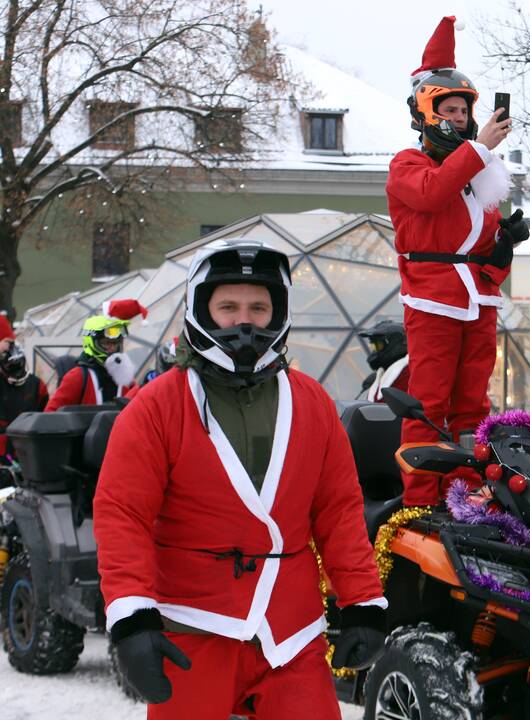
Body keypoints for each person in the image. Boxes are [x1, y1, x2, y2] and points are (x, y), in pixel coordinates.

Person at [92, 239, 385, 719]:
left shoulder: (312, 403)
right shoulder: (157, 406)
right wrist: (132, 617)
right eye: (227, 306)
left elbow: (338, 510)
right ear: (201, 310)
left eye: (259, 307)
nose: (244, 320)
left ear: (279, 313)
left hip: (291, 632)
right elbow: (123, 514)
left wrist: (362, 601)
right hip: (191, 628)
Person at [387, 15, 529, 506]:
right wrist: (479, 149)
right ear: (425, 113)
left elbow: (483, 256)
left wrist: (503, 250)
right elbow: (430, 194)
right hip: (433, 302)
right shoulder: (409, 165)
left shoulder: (477, 177)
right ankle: (421, 501)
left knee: (473, 406)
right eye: (448, 110)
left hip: (479, 303)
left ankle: (464, 496)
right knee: (428, 407)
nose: (460, 120)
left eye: (464, 112)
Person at [44, 299, 146, 411]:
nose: (112, 348)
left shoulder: (125, 376)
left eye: (116, 343)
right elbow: (50, 414)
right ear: (91, 342)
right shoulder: (77, 377)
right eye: (107, 343)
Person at [0, 315, 48, 456]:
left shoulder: (35, 385)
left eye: (11, 342)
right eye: (5, 342)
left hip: (25, 455)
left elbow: (44, 420)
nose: (10, 347)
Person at [359, 320, 410, 403]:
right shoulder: (379, 377)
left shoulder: (408, 374)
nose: (375, 352)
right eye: (373, 347)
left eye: (378, 345)